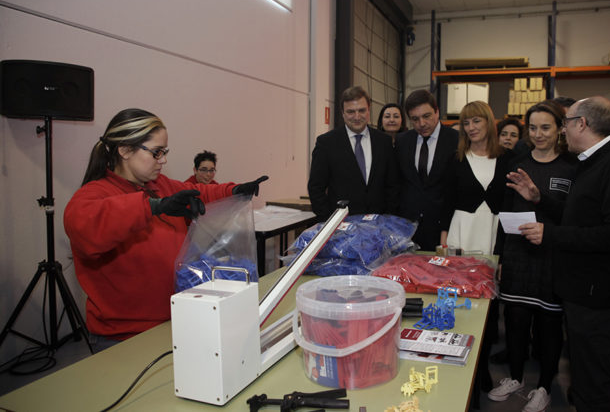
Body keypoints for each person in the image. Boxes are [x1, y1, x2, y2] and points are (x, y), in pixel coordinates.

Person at [64, 108, 267, 348]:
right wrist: (153, 207)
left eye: (164, 152)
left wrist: (233, 190)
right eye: (156, 152)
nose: (163, 160)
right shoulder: (93, 195)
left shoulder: (159, 185)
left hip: (176, 319)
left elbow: (199, 192)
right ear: (125, 150)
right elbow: (86, 227)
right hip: (125, 336)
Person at [507, 96, 610, 412]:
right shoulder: (593, 161)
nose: (562, 130)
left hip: (600, 294)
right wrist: (540, 198)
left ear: (581, 124)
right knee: (583, 377)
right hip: (585, 290)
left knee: (593, 384)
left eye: (566, 123)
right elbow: (579, 218)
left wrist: (551, 234)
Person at [488, 101, 576, 411]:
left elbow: (573, 216)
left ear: (560, 129)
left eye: (546, 127)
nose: (539, 134)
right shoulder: (517, 164)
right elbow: (504, 212)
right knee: (515, 321)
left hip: (552, 258)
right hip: (518, 255)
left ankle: (545, 386)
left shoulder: (571, 167)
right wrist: (500, 256)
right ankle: (515, 377)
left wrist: (541, 201)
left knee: (549, 327)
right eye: (534, 128)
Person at [308, 86, 399, 220]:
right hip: (341, 225)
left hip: (379, 224)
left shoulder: (384, 142)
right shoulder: (326, 143)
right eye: (351, 111)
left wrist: (387, 219)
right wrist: (330, 222)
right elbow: (316, 188)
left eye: (361, 110)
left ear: (369, 110)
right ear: (343, 113)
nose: (357, 117)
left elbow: (393, 186)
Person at [440, 100, 513, 254]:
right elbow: (447, 202)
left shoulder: (507, 158)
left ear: (488, 122)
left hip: (494, 233)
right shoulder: (456, 159)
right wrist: (443, 240)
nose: (471, 127)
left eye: (476, 121)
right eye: (466, 123)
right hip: (461, 232)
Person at [395, 89, 458, 251]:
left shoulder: (456, 140)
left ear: (437, 112)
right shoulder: (402, 141)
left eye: (426, 116)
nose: (421, 124)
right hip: (408, 229)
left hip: (442, 228)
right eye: (415, 119)